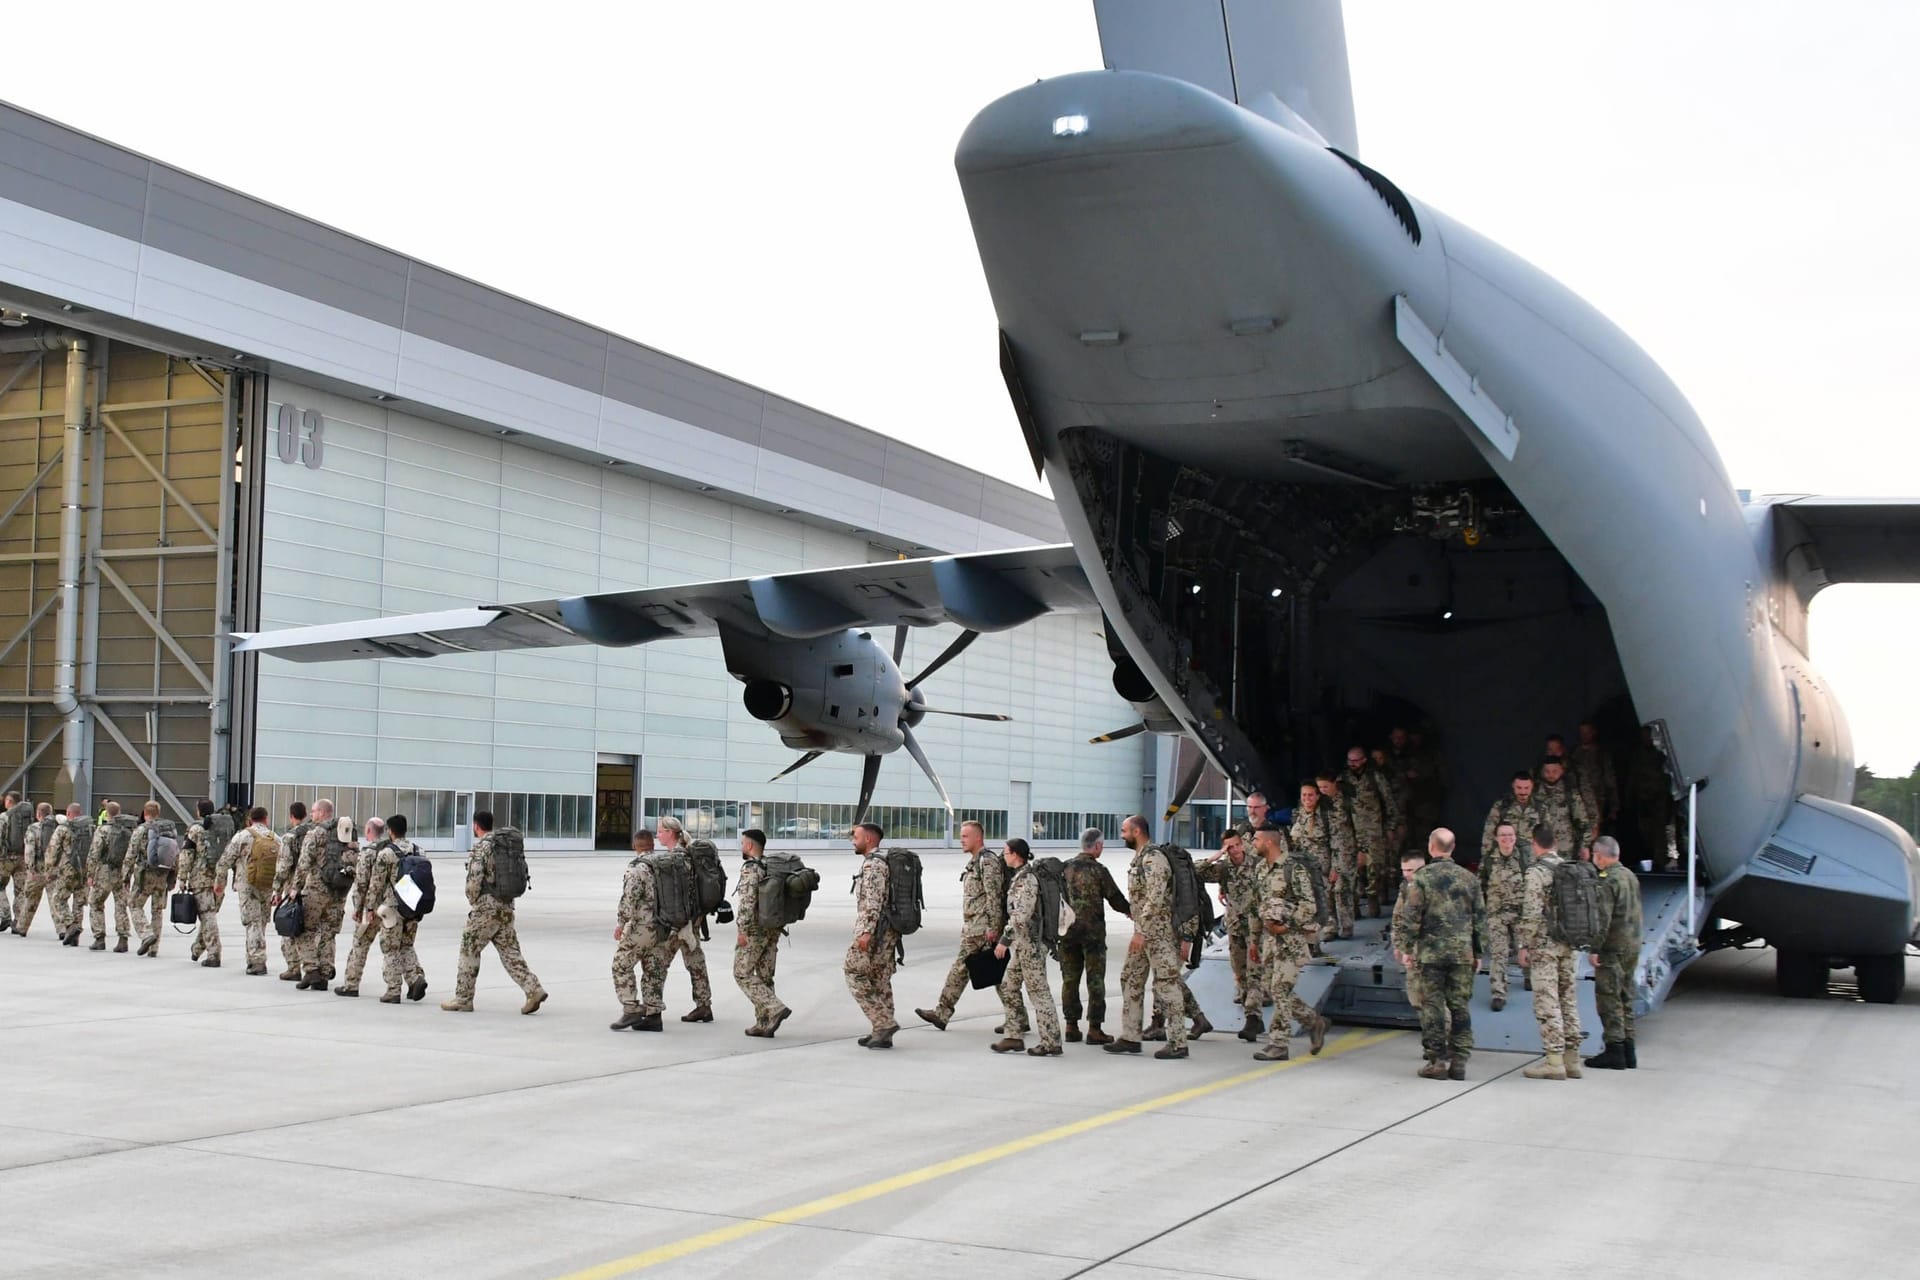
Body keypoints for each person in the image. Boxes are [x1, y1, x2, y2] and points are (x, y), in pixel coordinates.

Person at [1394, 828, 1485, 1080]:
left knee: (1432, 1005)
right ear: (1452, 848)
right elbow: (1480, 917)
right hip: (1461, 953)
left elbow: (1411, 918)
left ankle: (1436, 1061)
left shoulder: (1421, 879)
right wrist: (1478, 951)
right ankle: (1460, 1060)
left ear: (1431, 847)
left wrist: (1406, 948)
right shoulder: (1469, 879)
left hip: (1431, 954)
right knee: (1459, 1005)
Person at [444, 809, 547, 1014]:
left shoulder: (482, 847)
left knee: (469, 948)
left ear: (476, 826)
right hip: (506, 906)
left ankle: (463, 998)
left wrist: (473, 900)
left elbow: (474, 880)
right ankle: (533, 988)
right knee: (510, 952)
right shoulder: (504, 845)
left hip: (486, 908)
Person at [1105, 815, 1189, 1060]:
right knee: (1130, 977)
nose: (1122, 835)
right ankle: (1131, 1036)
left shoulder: (1153, 858)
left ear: (1137, 830)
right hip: (1143, 933)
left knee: (1166, 985)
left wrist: (1142, 931)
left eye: (1124, 831)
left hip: (1158, 934)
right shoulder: (1139, 858)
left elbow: (1156, 896)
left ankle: (1178, 1042)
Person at [915, 818, 1008, 1032]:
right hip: (974, 927)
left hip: (981, 929)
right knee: (996, 973)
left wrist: (994, 928)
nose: (961, 840)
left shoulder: (987, 862)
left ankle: (942, 1012)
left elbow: (994, 897)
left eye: (965, 836)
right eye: (961, 836)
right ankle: (1018, 1017)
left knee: (964, 969)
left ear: (978, 837)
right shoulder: (975, 861)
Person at [1249, 823, 1330, 1062]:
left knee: (1280, 989)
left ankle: (1278, 1044)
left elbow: (1309, 905)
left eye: (1256, 839)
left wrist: (1287, 925)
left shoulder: (1293, 869)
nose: (1253, 843)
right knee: (1273, 990)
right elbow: (1258, 907)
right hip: (1270, 940)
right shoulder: (1261, 869)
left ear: (1269, 842)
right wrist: (1254, 940)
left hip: (1291, 939)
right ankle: (1314, 1022)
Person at [1519, 825, 1584, 1080]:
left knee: (1547, 1002)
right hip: (1570, 944)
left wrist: (1524, 944)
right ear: (1555, 843)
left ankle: (1554, 1061)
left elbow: (1532, 912)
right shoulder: (1570, 869)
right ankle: (1573, 1060)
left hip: (1545, 947)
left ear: (1535, 844)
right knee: (1568, 999)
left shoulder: (1536, 873)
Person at [1055, 827, 1129, 1045]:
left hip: (1067, 932)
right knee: (1095, 980)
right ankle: (1095, 1029)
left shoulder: (1064, 868)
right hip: (1093, 936)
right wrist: (1131, 911)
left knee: (1070, 980)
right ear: (1097, 846)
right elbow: (1115, 898)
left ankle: (1071, 1026)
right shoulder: (1099, 870)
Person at [991, 837, 1063, 1056]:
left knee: (1039, 993)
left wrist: (1005, 940)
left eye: (1005, 852)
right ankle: (1014, 1036)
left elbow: (1022, 914)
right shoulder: (1019, 877)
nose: (1003, 856)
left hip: (1031, 945)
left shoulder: (1027, 879)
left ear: (1015, 854)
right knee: (1008, 986)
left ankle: (1051, 1042)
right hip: (1023, 945)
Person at [1198, 828, 1264, 1040]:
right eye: (1230, 847)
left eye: (1237, 845)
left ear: (1242, 844)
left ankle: (1252, 1018)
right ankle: (1254, 1019)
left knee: (1255, 973)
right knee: (1239, 973)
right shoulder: (1224, 868)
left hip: (1256, 929)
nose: (1235, 850)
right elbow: (1196, 871)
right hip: (1235, 927)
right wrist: (1217, 855)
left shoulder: (1257, 863)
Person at [1584, 836, 1643, 1070]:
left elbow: (1603, 919)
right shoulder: (1630, 875)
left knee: (1609, 999)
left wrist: (1595, 948)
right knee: (1626, 996)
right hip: (1632, 945)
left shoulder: (1607, 881)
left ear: (1599, 855)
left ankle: (1614, 1050)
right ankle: (1629, 1049)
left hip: (1613, 948)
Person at [358, 814, 428, 1005]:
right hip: (414, 904)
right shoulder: (418, 850)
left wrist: (370, 908)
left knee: (390, 948)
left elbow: (376, 884)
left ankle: (393, 989)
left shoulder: (386, 853)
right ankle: (415, 979)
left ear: (390, 831)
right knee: (406, 945)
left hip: (393, 907)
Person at [654, 816, 714, 1023]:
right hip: (692, 919)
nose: (657, 835)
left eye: (660, 831)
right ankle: (704, 1006)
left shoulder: (676, 858)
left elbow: (678, 893)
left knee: (657, 963)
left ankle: (652, 1009)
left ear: (670, 833)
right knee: (695, 961)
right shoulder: (688, 854)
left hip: (679, 922)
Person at [733, 827, 792, 1037]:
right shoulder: (771, 866)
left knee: (742, 973)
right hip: (773, 928)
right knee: (765, 976)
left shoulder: (751, 868)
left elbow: (748, 902)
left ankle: (774, 1008)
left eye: (742, 843)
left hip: (754, 929)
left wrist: (742, 929)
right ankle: (764, 1023)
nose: (741, 846)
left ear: (749, 845)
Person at [844, 821, 896, 1049]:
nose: (853, 841)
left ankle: (883, 1023)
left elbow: (872, 901)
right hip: (887, 929)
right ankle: (882, 1033)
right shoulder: (880, 862)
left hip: (875, 930)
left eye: (856, 836)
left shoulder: (873, 865)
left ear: (869, 839)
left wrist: (866, 931)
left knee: (853, 971)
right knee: (879, 979)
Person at [610, 829, 668, 1032]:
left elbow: (629, 899)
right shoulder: (664, 864)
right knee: (653, 970)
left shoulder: (636, 869)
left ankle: (631, 1008)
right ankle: (653, 1015)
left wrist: (620, 923)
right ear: (653, 845)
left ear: (635, 846)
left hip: (643, 927)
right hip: (663, 927)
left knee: (621, 965)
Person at [291, 799, 353, 989]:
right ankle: (325, 974)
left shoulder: (316, 833)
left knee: (303, 931)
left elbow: (304, 863)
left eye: (314, 811)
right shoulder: (346, 834)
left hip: (317, 891)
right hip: (339, 892)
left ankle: (312, 970)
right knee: (328, 933)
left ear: (323, 813)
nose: (311, 815)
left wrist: (295, 888)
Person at [214, 807, 281, 975]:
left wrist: (220, 882)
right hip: (267, 884)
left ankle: (257, 960)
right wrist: (280, 888)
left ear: (250, 820)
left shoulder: (243, 836)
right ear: (266, 819)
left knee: (252, 922)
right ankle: (254, 956)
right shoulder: (275, 838)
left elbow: (225, 860)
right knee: (261, 922)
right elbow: (284, 863)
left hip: (248, 885)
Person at [1341, 746, 1401, 916]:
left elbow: (1389, 802)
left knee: (1376, 867)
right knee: (1354, 868)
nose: (1352, 764)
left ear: (1364, 760)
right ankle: (1357, 902)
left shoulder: (1375, 778)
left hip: (1373, 831)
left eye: (1356, 761)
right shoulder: (1343, 780)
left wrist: (1390, 827)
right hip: (1351, 831)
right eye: (1350, 761)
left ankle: (1374, 897)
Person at [1478, 821, 1528, 1011]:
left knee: (1523, 947)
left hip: (1519, 913)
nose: (1507, 839)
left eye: (1510, 835)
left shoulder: (1523, 858)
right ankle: (1498, 993)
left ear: (1515, 837)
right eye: (1503, 835)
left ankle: (1528, 975)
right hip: (1496, 914)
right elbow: (1479, 886)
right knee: (1499, 953)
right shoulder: (1489, 860)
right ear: (1497, 838)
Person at [335, 816, 387, 996]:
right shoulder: (391, 849)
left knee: (360, 945)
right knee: (398, 947)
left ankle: (351, 984)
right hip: (391, 908)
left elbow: (362, 884)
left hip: (371, 908)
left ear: (368, 831)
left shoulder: (368, 852)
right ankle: (414, 978)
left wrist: (358, 909)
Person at [1286, 783, 1338, 954]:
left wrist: (1335, 867)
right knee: (1306, 904)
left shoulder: (1326, 815)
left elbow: (1337, 843)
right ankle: (1311, 944)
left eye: (1310, 795)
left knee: (1322, 904)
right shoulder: (1297, 815)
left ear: (1317, 796)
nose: (1307, 799)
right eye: (1304, 795)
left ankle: (1324, 934)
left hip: (1321, 866)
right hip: (1301, 868)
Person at [178, 799, 229, 967]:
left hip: (201, 878)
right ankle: (198, 948)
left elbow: (187, 855)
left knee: (207, 916)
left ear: (199, 811)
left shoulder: (196, 829)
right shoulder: (223, 829)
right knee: (209, 915)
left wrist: (182, 878)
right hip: (220, 877)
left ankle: (214, 954)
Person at [271, 800, 315, 980]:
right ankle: (314, 967)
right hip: (313, 886)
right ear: (305, 815)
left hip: (293, 886)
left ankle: (294, 967)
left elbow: (284, 865)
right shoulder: (315, 833)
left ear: (291, 816)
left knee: (289, 925)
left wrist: (276, 889)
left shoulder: (290, 837)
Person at [1314, 772, 1362, 938]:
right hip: (1324, 853)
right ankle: (1330, 926)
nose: (1323, 790)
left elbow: (1359, 826)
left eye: (1325, 786)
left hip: (1345, 852)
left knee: (1342, 888)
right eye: (1319, 787)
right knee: (1327, 890)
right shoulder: (1319, 805)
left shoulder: (1347, 801)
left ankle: (1347, 924)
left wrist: (1362, 849)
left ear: (1335, 783)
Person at [123, 802, 172, 955]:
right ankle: (154, 948)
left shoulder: (141, 830)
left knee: (134, 904)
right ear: (158, 812)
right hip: (163, 875)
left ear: (145, 813)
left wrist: (125, 876)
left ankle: (146, 934)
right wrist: (173, 876)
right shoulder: (168, 830)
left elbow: (131, 854)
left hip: (145, 875)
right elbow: (174, 853)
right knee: (157, 911)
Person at [44, 804, 91, 946]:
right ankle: (75, 937)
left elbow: (53, 851)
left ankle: (70, 925)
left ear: (68, 813)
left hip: (68, 869)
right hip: (85, 869)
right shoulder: (90, 828)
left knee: (58, 899)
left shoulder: (63, 829)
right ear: (80, 813)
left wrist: (49, 869)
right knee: (79, 903)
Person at [1390, 850, 1430, 1010]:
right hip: (1411, 949)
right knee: (1415, 998)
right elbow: (1398, 917)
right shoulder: (1406, 886)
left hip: (1429, 950)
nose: (1406, 874)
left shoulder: (1433, 889)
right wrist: (1398, 945)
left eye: (1410, 870)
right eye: (1403, 870)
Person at [1481, 772, 1549, 867]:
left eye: (1526, 788)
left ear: (1532, 787)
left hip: (1532, 860)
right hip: (1505, 859)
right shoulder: (1502, 805)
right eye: (1519, 788)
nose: (1523, 792)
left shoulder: (1541, 807)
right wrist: (1486, 858)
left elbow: (1546, 836)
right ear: (1513, 786)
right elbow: (1489, 833)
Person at [1535, 757, 1595, 863]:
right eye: (1547, 771)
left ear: (1561, 771)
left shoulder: (1570, 794)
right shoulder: (1534, 793)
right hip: (1540, 852)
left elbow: (1584, 824)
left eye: (1555, 771)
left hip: (1566, 852)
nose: (1551, 775)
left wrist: (1584, 847)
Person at [11, 802, 54, 936]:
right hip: (53, 868)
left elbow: (29, 851)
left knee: (30, 898)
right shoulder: (57, 827)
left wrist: (30, 869)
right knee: (55, 900)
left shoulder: (33, 828)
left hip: (38, 868)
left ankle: (22, 927)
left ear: (38, 814)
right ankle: (63, 928)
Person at [1573, 722, 1620, 834]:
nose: (1584, 735)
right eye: (1582, 733)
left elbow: (1610, 781)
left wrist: (1614, 807)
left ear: (1593, 733)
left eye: (1587, 732)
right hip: (1580, 804)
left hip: (1599, 802)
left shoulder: (1601, 754)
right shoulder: (1575, 754)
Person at [0, 791, 23, 932]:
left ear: (9, 801)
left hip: (5, 858)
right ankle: (19, 922)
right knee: (20, 891)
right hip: (22, 859)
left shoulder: (4, 817)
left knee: (0, 887)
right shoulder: (25, 817)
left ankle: (5, 915)